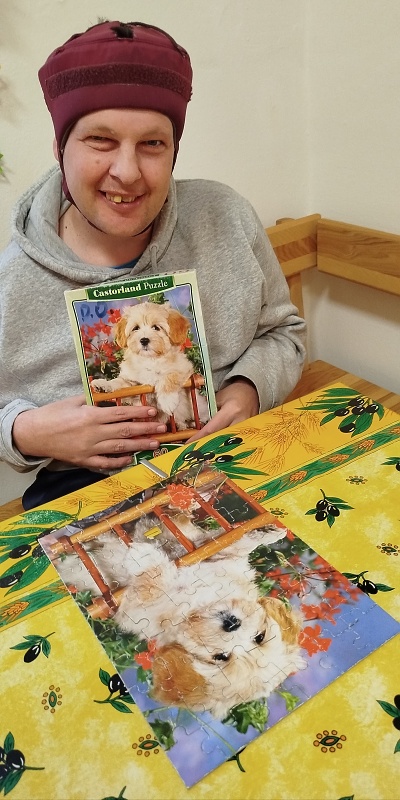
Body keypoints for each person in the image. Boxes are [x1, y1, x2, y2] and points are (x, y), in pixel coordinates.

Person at [0, 20, 306, 509]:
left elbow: (282, 332)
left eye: (152, 144)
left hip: (229, 453)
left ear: (174, 151)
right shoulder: (12, 279)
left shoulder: (226, 217)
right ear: (60, 148)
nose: (127, 172)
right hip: (85, 489)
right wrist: (24, 432)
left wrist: (248, 390)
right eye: (100, 140)